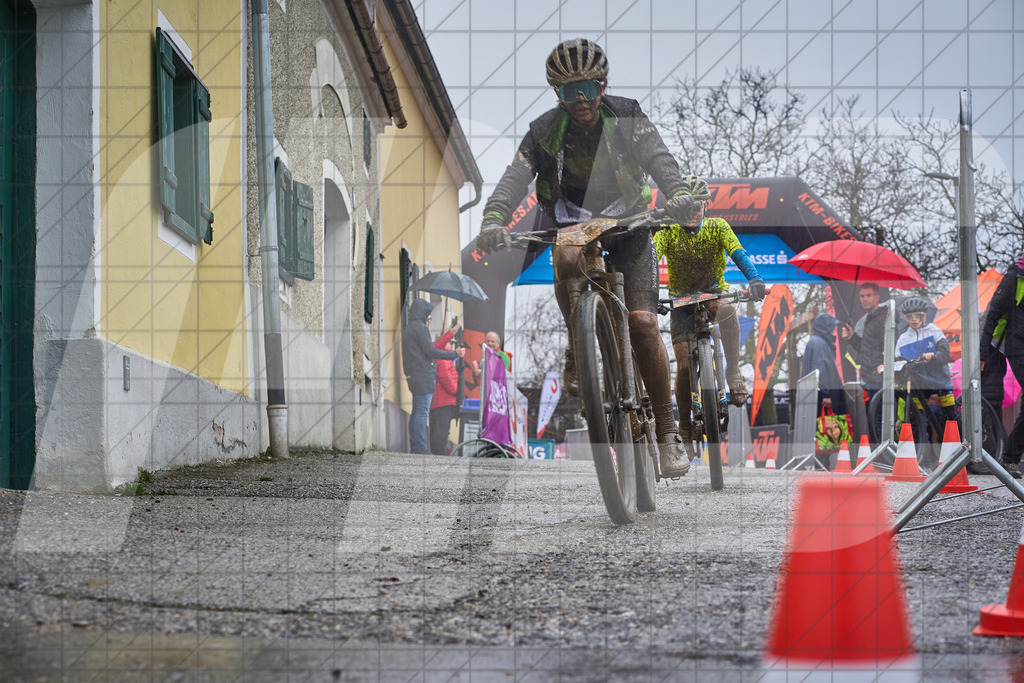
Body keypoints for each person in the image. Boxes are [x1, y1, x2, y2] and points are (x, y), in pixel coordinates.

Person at [474, 38, 706, 478]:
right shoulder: (545, 130)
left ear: (602, 86)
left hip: (632, 221)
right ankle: (578, 344)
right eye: (567, 91)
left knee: (641, 323)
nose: (579, 100)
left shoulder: (628, 115)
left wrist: (676, 195)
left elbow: (660, 158)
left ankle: (668, 431)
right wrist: (493, 219)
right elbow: (513, 178)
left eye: (586, 88)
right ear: (556, 95)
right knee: (565, 254)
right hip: (574, 221)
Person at [652, 177, 766, 459]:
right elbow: (652, 261)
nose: (692, 215)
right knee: (684, 366)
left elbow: (739, 253)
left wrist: (754, 278)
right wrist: (648, 292)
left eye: (698, 208)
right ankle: (686, 427)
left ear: (707, 205)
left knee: (727, 308)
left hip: (713, 291)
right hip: (681, 300)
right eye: (686, 211)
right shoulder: (667, 231)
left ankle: (733, 371)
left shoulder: (718, 227)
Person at [889, 296, 957, 469]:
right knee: (920, 420)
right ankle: (924, 460)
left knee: (951, 417)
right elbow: (898, 363)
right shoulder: (903, 339)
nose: (913, 320)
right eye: (909, 317)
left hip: (939, 380)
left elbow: (945, 354)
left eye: (917, 316)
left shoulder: (935, 331)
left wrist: (933, 357)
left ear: (924, 316)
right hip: (920, 384)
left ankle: (960, 449)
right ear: (905, 318)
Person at [401, 299, 465, 454]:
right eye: (428, 317)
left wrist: (450, 334)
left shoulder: (411, 328)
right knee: (421, 412)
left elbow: (431, 348)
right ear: (423, 315)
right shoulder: (420, 328)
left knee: (417, 412)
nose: (429, 320)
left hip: (416, 375)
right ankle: (419, 447)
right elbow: (431, 351)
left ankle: (416, 446)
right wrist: (453, 354)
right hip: (422, 376)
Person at [980, 255, 1024, 479]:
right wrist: (981, 353)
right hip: (1017, 344)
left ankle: (1010, 457)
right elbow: (992, 315)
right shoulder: (1014, 277)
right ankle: (1008, 457)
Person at [841, 282, 887, 402]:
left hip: (879, 379)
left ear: (877, 297)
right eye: (862, 296)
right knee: (873, 418)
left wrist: (883, 365)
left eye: (868, 295)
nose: (865, 299)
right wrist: (852, 337)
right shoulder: (869, 320)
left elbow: (889, 346)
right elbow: (866, 349)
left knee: (879, 418)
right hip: (868, 379)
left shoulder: (883, 319)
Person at [800, 313, 847, 416]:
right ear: (826, 328)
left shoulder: (815, 341)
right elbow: (820, 370)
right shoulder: (820, 344)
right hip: (824, 398)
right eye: (832, 326)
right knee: (830, 429)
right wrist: (825, 394)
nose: (835, 330)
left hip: (815, 396)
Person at [429, 330, 461, 455]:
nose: (452, 346)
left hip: (442, 401)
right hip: (443, 401)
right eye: (449, 343)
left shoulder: (444, 357)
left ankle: (438, 454)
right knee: (441, 432)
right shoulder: (442, 358)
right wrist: (456, 391)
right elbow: (445, 377)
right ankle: (439, 456)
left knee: (440, 431)